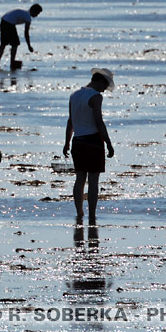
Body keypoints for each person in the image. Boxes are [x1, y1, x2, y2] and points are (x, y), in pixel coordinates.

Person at [62, 68, 115, 223]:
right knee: (93, 180)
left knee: (79, 179)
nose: (104, 91)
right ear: (100, 82)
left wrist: (66, 142)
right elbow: (99, 122)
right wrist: (109, 143)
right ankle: (92, 214)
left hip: (77, 141)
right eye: (104, 87)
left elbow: (70, 121)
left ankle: (79, 213)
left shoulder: (74, 95)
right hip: (93, 141)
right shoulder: (95, 96)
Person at [0, 3, 42, 69]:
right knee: (15, 44)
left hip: (3, 21)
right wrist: (29, 46)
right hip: (9, 23)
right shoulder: (27, 17)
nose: (37, 15)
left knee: (3, 43)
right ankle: (12, 63)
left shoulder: (25, 13)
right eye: (37, 13)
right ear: (33, 10)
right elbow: (26, 33)